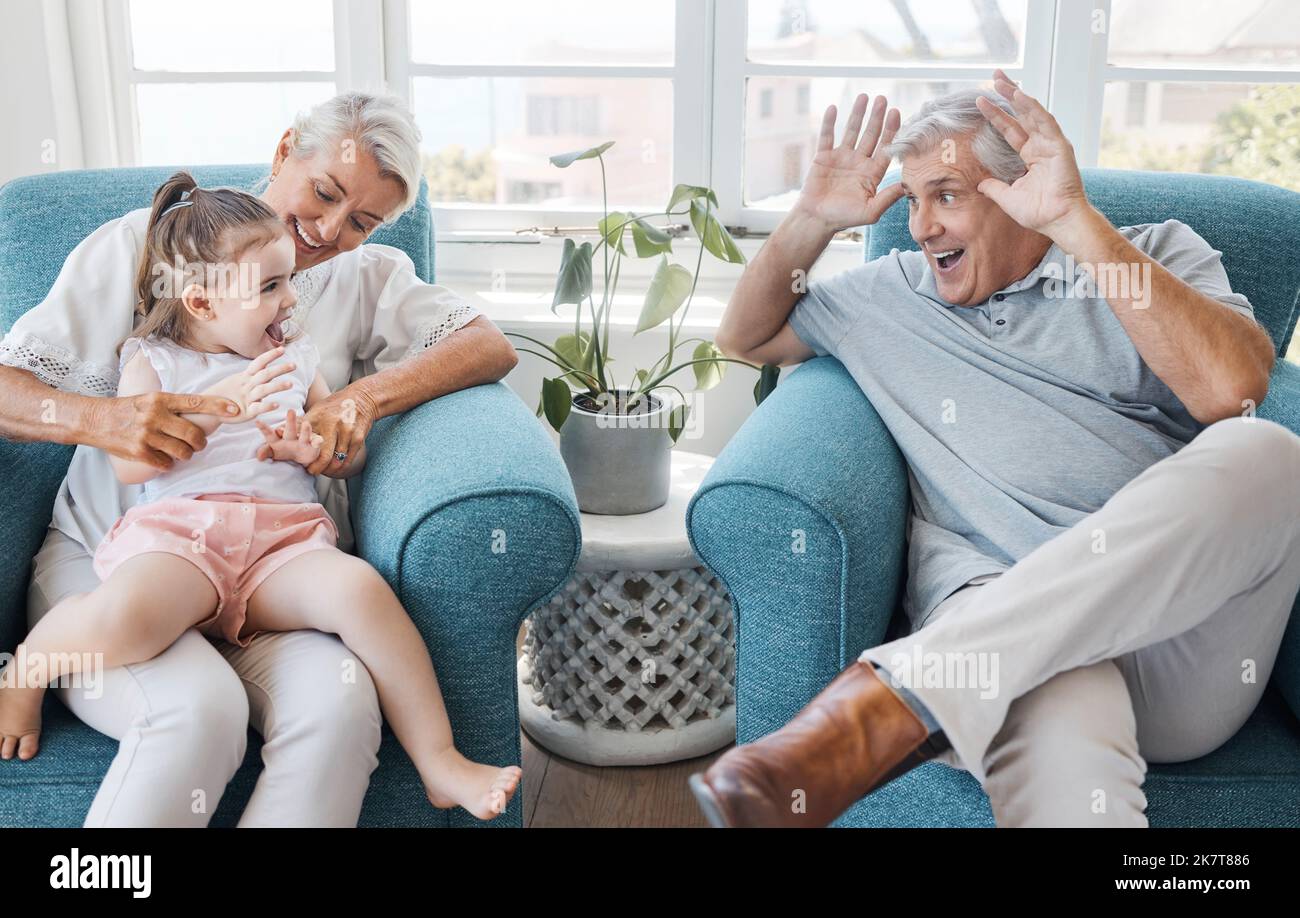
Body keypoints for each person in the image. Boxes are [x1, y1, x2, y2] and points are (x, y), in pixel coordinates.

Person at [690, 69, 1300, 827]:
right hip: (1006, 651)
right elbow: (744, 338)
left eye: (946, 195)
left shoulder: (1152, 255)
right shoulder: (892, 293)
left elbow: (1230, 388)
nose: (920, 226)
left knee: (1267, 453)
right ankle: (909, 698)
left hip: (1179, 647)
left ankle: (897, 698)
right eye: (912, 201)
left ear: (1022, 191)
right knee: (1059, 744)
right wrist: (813, 218)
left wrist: (1077, 226)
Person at [0, 91, 519, 826]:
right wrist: (108, 420)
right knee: (197, 713)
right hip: (125, 558)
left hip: (274, 557)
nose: (330, 230)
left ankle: (440, 763)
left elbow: (486, 345)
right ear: (284, 153)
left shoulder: (364, 278)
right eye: (325, 192)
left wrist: (354, 407)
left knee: (339, 709)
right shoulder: (145, 247)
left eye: (362, 221)